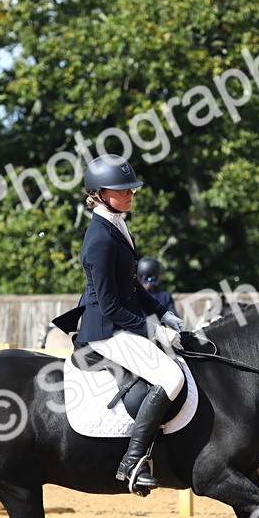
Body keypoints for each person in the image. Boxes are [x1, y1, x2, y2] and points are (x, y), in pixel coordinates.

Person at [62, 155, 185, 495]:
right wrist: (154, 331)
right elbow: (112, 306)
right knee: (171, 376)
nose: (131, 192)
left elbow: (131, 288)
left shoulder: (117, 224)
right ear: (99, 193)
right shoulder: (99, 240)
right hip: (105, 331)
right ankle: (132, 462)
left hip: (121, 323)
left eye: (131, 188)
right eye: (123, 189)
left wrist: (164, 313)